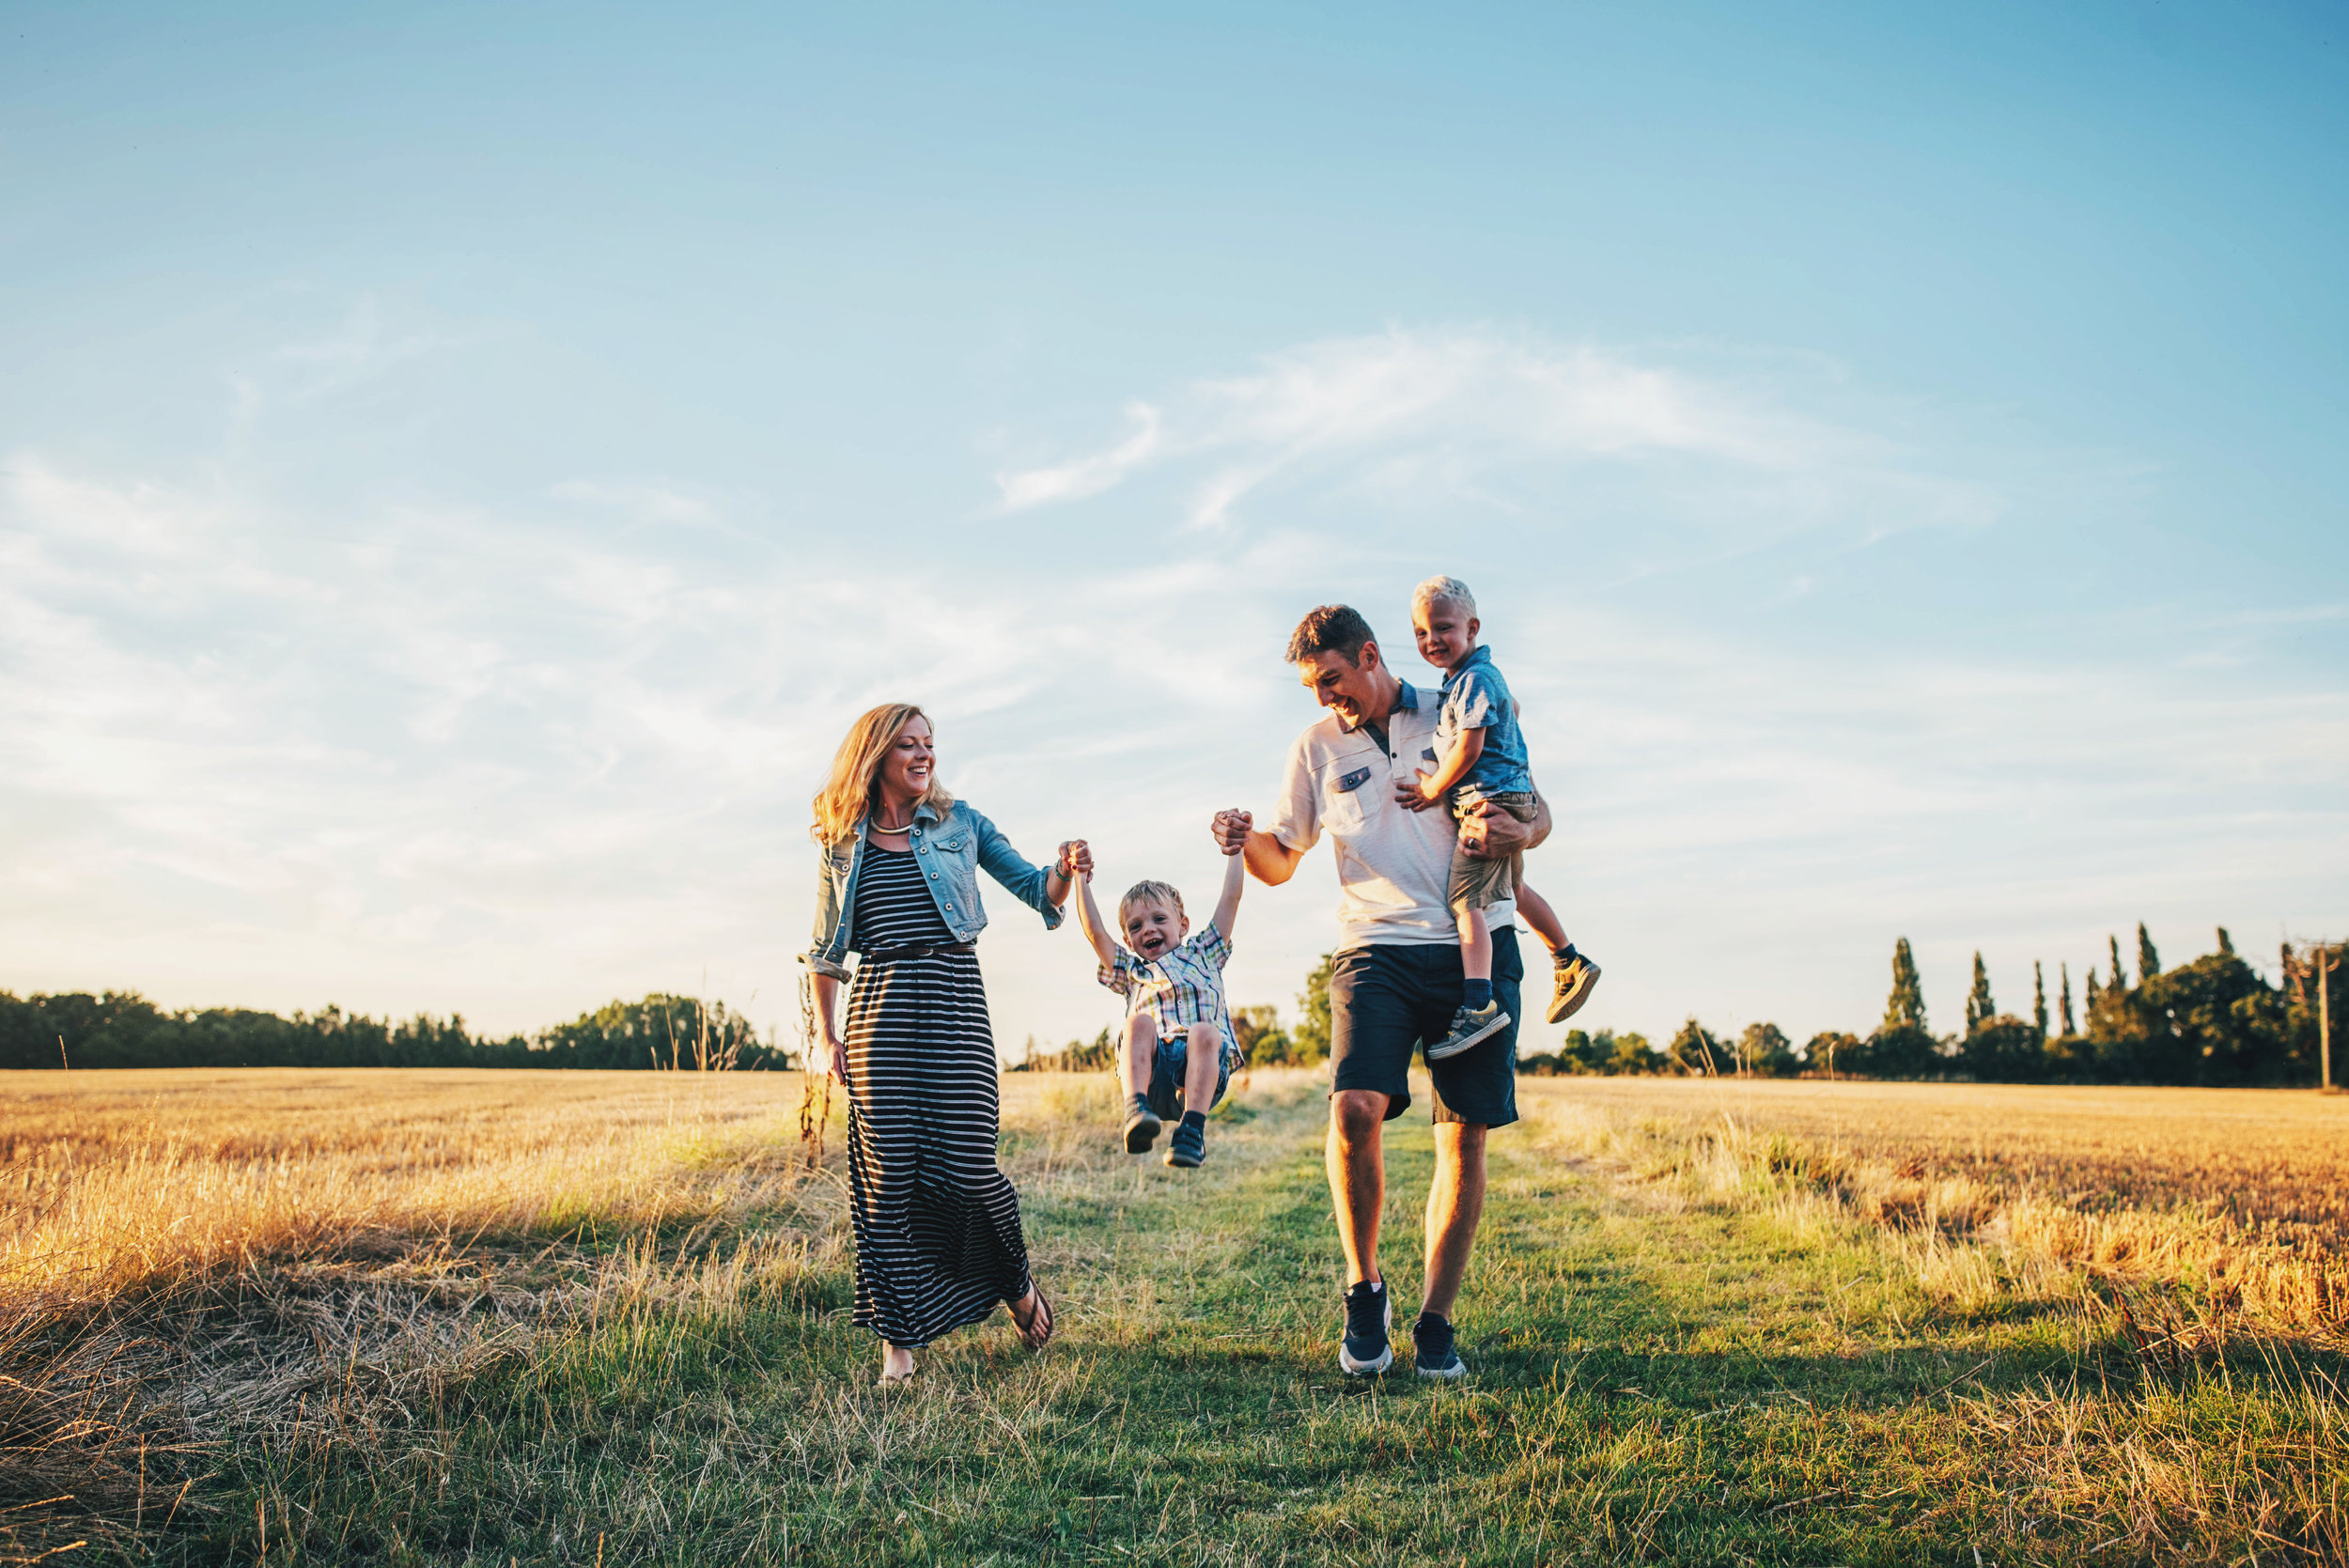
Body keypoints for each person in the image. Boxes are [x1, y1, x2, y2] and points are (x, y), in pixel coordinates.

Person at [1214, 604, 1548, 1381]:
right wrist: (1243, 839)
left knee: (1462, 1134)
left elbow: (1539, 810)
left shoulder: (1457, 702)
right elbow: (1281, 858)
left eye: (1333, 678)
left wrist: (1521, 834)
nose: (1326, 696)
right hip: (1377, 948)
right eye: (1312, 686)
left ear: (1369, 654)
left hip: (1479, 942)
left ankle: (1436, 1321)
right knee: (1354, 1108)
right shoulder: (1315, 746)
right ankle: (1365, 1291)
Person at [803, 702, 1082, 1386]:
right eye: (909, 745)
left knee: (969, 1168)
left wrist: (1066, 868)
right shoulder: (843, 842)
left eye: (930, 743)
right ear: (875, 758)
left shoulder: (963, 823)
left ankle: (1014, 1283)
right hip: (879, 1012)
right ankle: (898, 1341)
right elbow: (824, 949)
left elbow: (1032, 886)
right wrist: (826, 1037)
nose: (924, 755)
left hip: (955, 1000)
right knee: (886, 1181)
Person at [1403, 576, 1600, 1034]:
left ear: (1472, 628)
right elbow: (1507, 706)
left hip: (1489, 806)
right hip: (1510, 796)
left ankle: (1478, 1007)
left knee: (1466, 899)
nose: (1432, 640)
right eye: (1420, 633)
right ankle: (1569, 959)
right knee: (1513, 890)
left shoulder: (1473, 679)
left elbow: (1468, 751)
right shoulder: (1471, 680)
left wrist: (1432, 790)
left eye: (1443, 628)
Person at [1067, 829, 1249, 1169]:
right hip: (1153, 1072)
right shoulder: (1131, 971)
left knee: (1206, 1032)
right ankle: (1136, 1110)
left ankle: (1191, 1133)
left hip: (1202, 1073)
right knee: (1138, 1023)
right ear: (1127, 938)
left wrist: (1235, 851)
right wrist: (1080, 877)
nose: (1147, 929)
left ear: (1183, 925)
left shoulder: (1205, 953)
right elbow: (1094, 931)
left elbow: (1230, 899)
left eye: (1159, 919)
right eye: (1135, 926)